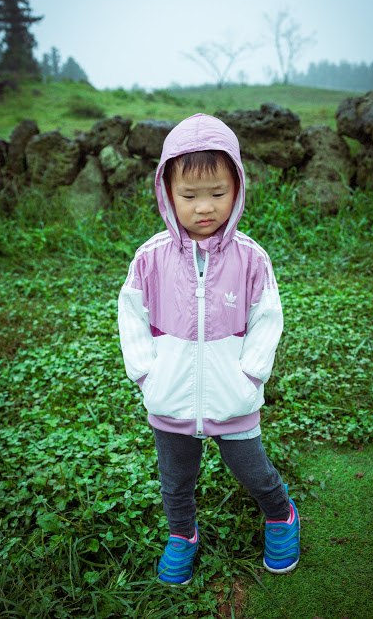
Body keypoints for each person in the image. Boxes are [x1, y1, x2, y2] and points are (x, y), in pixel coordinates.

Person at [118, 113, 300, 585]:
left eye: (218, 193)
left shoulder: (252, 258)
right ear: (167, 193)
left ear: (237, 189)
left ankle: (280, 514)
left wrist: (250, 375)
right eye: (190, 195)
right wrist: (147, 374)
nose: (204, 207)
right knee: (175, 481)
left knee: (254, 472)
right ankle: (182, 534)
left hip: (233, 396)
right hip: (170, 397)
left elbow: (267, 319)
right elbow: (131, 315)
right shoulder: (150, 258)